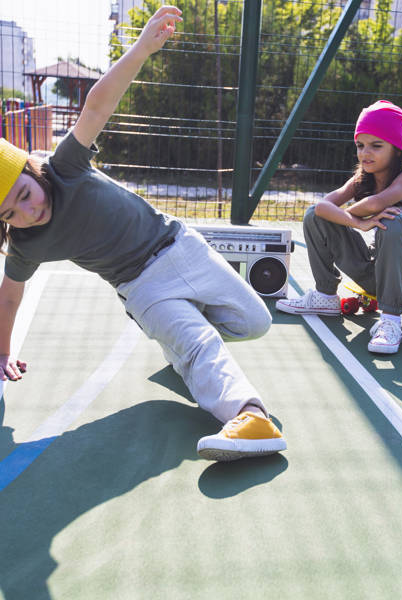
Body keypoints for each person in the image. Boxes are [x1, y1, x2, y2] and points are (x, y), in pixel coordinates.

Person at [0, 6, 285, 462]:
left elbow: (97, 103)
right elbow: (9, 295)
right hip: (140, 284)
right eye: (11, 213)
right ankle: (250, 416)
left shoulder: (66, 168)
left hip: (182, 245)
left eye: (24, 193)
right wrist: (2, 351)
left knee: (255, 321)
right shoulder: (27, 244)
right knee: (198, 344)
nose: (27, 211)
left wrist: (142, 47)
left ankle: (183, 347)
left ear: (32, 171)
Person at [276, 100, 402, 354]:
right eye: (360, 145)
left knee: (392, 221)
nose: (365, 153)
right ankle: (326, 296)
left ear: (397, 149)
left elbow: (377, 203)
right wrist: (356, 223)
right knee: (313, 216)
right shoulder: (361, 178)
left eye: (376, 145)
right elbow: (320, 209)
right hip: (375, 273)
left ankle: (391, 320)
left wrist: (348, 216)